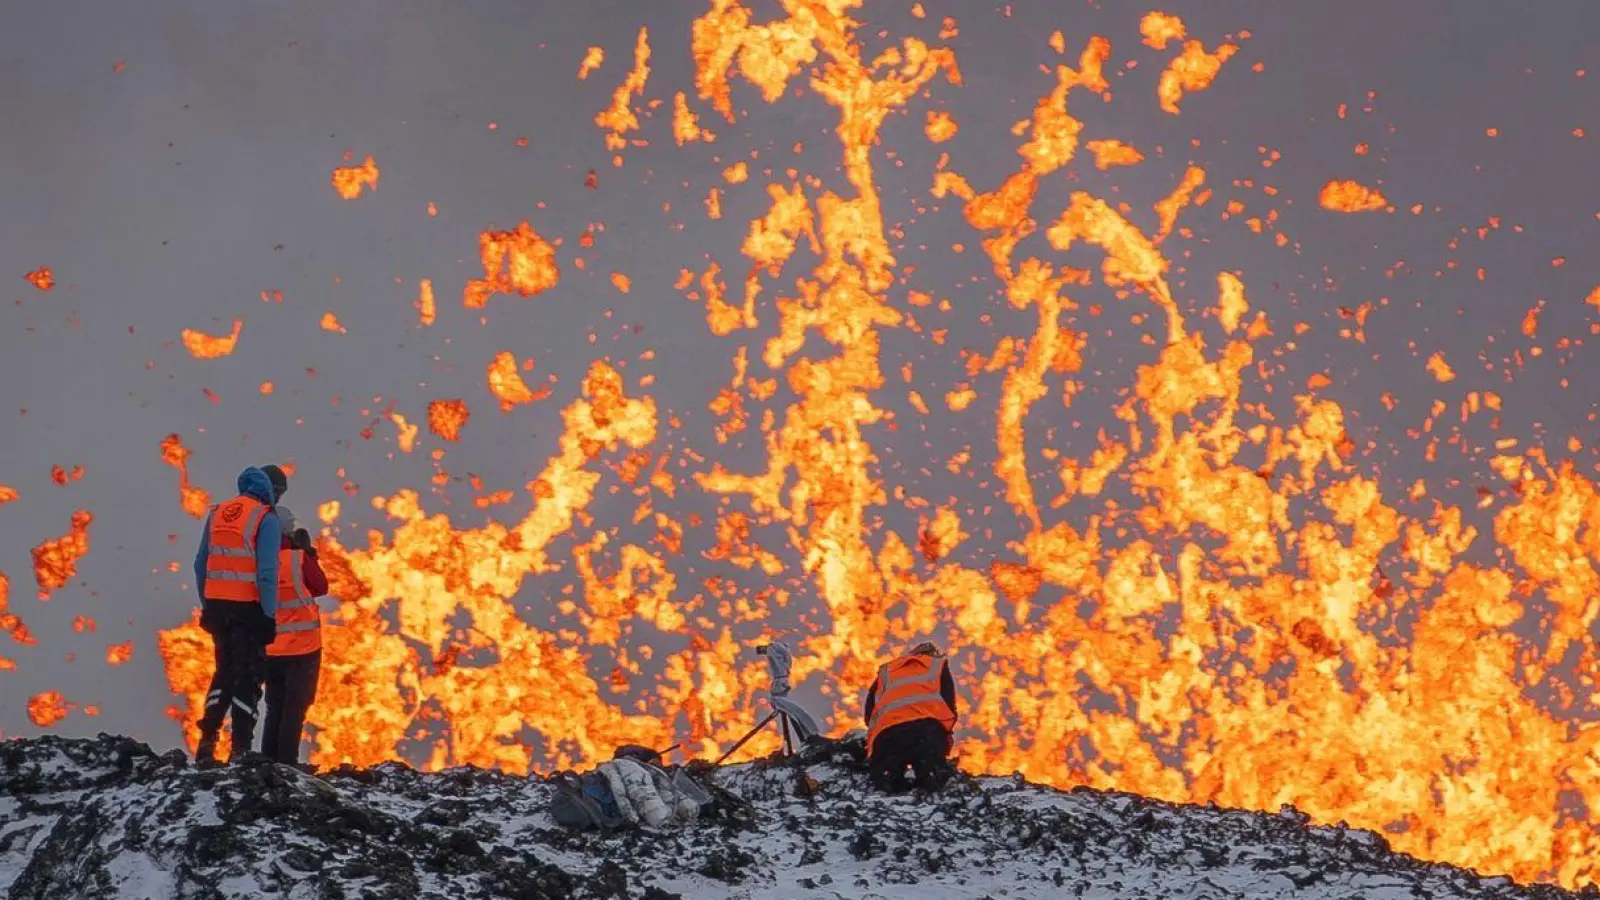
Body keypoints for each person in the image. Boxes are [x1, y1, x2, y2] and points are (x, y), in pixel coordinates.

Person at [192, 466, 285, 766]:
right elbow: (267, 572)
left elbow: (199, 563)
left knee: (223, 671)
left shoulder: (217, 513)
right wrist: (269, 615)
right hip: (248, 609)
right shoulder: (264, 517)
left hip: (218, 607)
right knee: (249, 675)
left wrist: (207, 603)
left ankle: (207, 742)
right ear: (269, 491)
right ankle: (240, 749)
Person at [260, 506, 328, 766]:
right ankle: (287, 763)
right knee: (294, 707)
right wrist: (310, 555)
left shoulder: (258, 559)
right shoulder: (298, 558)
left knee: (274, 705)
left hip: (271, 646)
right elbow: (321, 587)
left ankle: (269, 762)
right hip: (303, 648)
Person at [863, 640, 958, 793]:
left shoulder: (889, 670)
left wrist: (875, 738)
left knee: (889, 786)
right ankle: (926, 782)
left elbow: (869, 710)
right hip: (925, 733)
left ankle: (894, 781)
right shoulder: (936, 666)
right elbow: (949, 704)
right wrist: (944, 738)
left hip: (887, 736)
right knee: (931, 785)